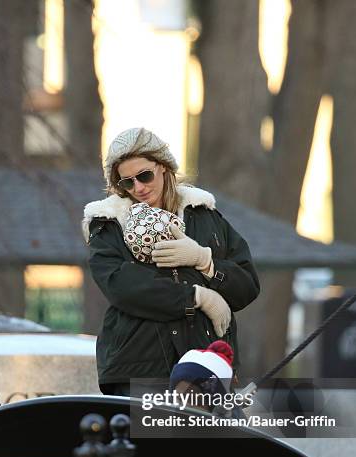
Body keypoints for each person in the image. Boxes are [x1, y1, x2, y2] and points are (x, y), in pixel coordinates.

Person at [82, 127, 260, 396]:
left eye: (144, 176)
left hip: (208, 366)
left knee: (226, 438)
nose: (138, 188)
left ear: (164, 167)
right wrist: (196, 297)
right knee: (154, 438)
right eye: (127, 182)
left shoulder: (205, 216)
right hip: (141, 370)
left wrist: (206, 262)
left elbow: (247, 285)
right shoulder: (108, 224)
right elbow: (122, 286)